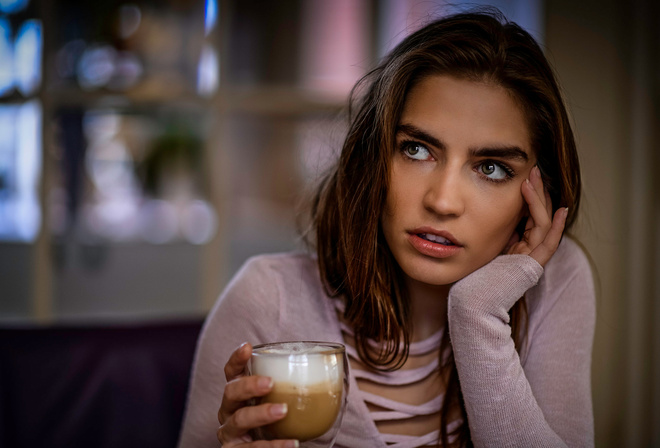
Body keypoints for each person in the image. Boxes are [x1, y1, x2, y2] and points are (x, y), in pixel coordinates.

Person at [178, 9, 595, 448]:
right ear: (372, 156)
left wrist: (478, 314)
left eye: (491, 168)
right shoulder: (268, 300)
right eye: (416, 150)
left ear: (538, 190)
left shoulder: (555, 281)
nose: (442, 201)